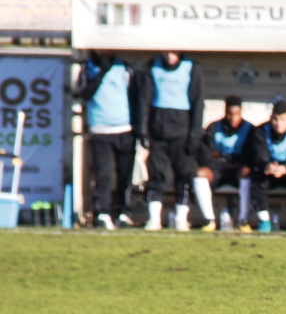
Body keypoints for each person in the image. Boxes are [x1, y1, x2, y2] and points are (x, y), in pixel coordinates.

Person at [139, 51, 204, 231]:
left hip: (182, 133)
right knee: (156, 175)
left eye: (174, 52)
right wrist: (143, 130)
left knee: (184, 175)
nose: (170, 55)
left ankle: (181, 219)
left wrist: (195, 134)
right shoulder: (153, 66)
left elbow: (198, 103)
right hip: (158, 133)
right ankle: (154, 219)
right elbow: (145, 99)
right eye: (167, 51)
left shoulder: (191, 68)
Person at [76, 50, 138, 230]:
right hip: (100, 130)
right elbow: (84, 93)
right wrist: (101, 72)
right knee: (104, 176)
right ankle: (103, 213)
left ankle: (123, 213)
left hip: (125, 129)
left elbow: (136, 96)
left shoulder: (124, 67)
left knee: (125, 176)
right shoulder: (87, 68)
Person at [195, 96, 254, 232]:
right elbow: (205, 154)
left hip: (236, 172)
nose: (233, 118)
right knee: (200, 173)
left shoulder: (249, 129)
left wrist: (226, 158)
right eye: (230, 114)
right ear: (225, 112)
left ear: (241, 113)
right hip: (217, 171)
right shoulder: (214, 127)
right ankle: (209, 220)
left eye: (237, 114)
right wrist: (220, 161)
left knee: (246, 172)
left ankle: (243, 220)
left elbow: (251, 156)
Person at [249, 100, 286, 233]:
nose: (278, 124)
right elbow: (258, 155)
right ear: (271, 118)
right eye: (275, 119)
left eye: (282, 120)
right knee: (256, 179)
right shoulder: (261, 130)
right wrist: (267, 165)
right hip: (270, 170)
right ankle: (264, 221)